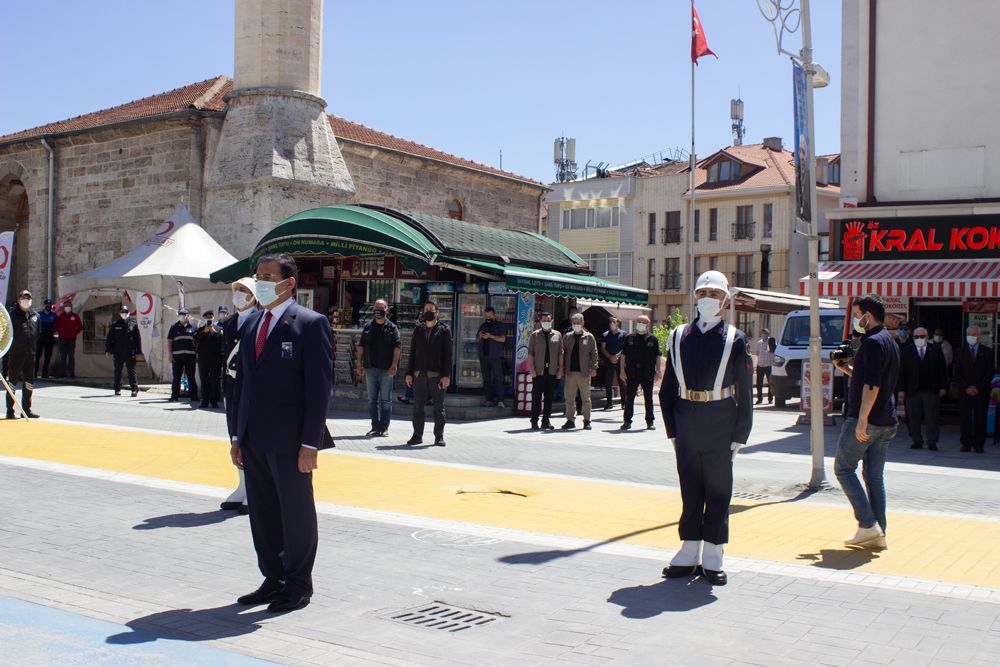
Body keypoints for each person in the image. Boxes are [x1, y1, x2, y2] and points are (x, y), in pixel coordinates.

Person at [231, 253, 333, 614]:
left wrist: (310, 443)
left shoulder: (310, 323)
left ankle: (299, 584)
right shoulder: (250, 323)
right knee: (262, 513)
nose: (260, 281)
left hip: (291, 442)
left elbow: (319, 389)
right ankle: (272, 578)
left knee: (295, 513)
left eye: (268, 275)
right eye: (258, 275)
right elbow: (241, 385)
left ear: (289, 283)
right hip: (255, 438)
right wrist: (236, 437)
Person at [659, 271, 752, 586]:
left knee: (717, 491)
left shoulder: (735, 339)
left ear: (725, 301)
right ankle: (689, 550)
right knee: (690, 488)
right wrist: (672, 430)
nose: (707, 299)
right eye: (702, 293)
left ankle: (713, 554)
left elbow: (745, 393)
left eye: (714, 294)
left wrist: (740, 435)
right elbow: (667, 388)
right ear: (695, 297)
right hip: (686, 418)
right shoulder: (677, 336)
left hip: (720, 419)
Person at [830, 295, 900, 549]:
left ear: (867, 316)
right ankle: (878, 532)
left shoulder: (871, 343)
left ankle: (868, 524)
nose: (857, 320)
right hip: (886, 420)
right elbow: (870, 378)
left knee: (843, 469)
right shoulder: (889, 342)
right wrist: (846, 369)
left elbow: (872, 385)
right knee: (874, 477)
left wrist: (861, 419)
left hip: (867, 419)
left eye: (858, 314)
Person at [220, 277, 257, 514]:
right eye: (236, 290)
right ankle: (242, 485)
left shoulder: (260, 319)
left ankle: (254, 489)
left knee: (249, 438)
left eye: (244, 291)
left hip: (250, 388)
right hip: (232, 386)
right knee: (234, 435)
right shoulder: (230, 322)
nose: (239, 295)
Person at [405, 301, 452, 446]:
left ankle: (439, 436)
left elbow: (448, 355)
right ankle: (417, 436)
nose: (428, 312)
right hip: (419, 374)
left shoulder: (444, 330)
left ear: (437, 313)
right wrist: (408, 373)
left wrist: (446, 375)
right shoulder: (418, 329)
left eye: (431, 310)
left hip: (437, 375)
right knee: (418, 407)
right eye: (426, 310)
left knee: (439, 407)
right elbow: (412, 352)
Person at [356, 298, 401, 437]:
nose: (378, 310)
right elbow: (361, 346)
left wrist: (394, 365)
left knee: (386, 400)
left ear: (387, 309)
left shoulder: (392, 328)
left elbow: (397, 347)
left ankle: (384, 427)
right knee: (372, 400)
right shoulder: (368, 327)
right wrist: (359, 363)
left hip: (386, 370)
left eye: (381, 307)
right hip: (370, 368)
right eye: (376, 307)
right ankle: (375, 427)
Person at [898, 327, 948, 451]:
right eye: (916, 337)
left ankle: (932, 441)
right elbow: (901, 372)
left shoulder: (935, 349)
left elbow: (943, 370)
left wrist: (943, 386)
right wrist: (901, 389)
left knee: (932, 417)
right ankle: (917, 440)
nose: (919, 339)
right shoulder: (906, 351)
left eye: (921, 336)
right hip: (912, 391)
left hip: (931, 390)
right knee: (913, 417)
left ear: (927, 337)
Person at [954, 325, 995, 454]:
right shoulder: (960, 352)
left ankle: (979, 444)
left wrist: (978, 388)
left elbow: (989, 373)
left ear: (978, 336)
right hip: (965, 391)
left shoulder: (987, 352)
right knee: (965, 419)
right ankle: (965, 443)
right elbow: (957, 373)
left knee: (980, 418)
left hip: (981, 392)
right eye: (968, 334)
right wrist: (966, 387)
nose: (970, 337)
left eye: (973, 334)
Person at [620, 314, 662, 430]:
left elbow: (657, 356)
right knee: (629, 399)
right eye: (639, 321)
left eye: (643, 322)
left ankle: (650, 421)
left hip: (647, 373)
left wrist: (658, 371)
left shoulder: (652, 339)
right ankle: (627, 421)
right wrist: (622, 371)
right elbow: (623, 355)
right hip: (632, 372)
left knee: (648, 398)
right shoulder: (629, 338)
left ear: (647, 325)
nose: (640, 324)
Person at [5, 290, 40, 419]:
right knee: (12, 383)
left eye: (28, 298)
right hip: (16, 354)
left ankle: (26, 410)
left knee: (29, 382)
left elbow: (37, 333)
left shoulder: (35, 316)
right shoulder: (12, 316)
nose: (26, 300)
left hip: (30, 354)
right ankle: (10, 411)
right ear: (19, 299)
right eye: (24, 297)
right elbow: (6, 334)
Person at [560, 312, 598, 430]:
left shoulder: (589, 337)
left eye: (578, 323)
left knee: (586, 398)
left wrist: (594, 367)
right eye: (574, 323)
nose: (576, 325)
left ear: (583, 323)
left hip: (584, 372)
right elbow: (562, 352)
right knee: (569, 398)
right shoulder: (567, 336)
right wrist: (561, 369)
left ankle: (587, 420)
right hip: (570, 372)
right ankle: (570, 420)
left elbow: (594, 353)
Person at [527, 311, 562, 430]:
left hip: (551, 371)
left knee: (549, 398)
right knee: (536, 397)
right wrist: (531, 369)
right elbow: (530, 353)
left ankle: (546, 420)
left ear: (551, 321)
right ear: (541, 322)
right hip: (538, 371)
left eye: (548, 320)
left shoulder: (557, 335)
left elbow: (560, 353)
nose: (546, 322)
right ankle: (534, 420)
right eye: (544, 320)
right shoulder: (535, 335)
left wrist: (560, 369)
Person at [105, 305, 142, 397]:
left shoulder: (133, 323)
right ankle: (117, 389)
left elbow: (137, 338)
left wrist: (138, 351)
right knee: (118, 370)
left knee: (131, 370)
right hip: (118, 351)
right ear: (119, 313)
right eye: (122, 312)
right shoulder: (115, 324)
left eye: (126, 312)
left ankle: (134, 389)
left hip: (130, 351)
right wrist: (108, 350)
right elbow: (110, 338)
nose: (124, 314)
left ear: (129, 313)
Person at [167, 308, 199, 403]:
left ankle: (194, 396)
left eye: (184, 314)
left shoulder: (193, 326)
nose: (182, 316)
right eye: (180, 314)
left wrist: (197, 354)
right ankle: (174, 396)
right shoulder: (174, 327)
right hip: (177, 357)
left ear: (188, 315)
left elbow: (197, 342)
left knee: (191, 376)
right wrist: (170, 354)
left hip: (190, 356)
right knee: (176, 376)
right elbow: (169, 341)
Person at [477, 307, 507, 408]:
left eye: (490, 316)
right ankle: (488, 399)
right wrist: (480, 336)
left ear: (494, 315)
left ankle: (500, 400)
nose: (488, 318)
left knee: (498, 379)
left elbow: (503, 339)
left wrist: (491, 336)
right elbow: (476, 339)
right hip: (484, 356)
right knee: (486, 379)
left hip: (495, 356)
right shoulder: (483, 325)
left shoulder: (499, 325)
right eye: (486, 316)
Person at [194, 310, 224, 408]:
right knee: (204, 380)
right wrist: (204, 332)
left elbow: (222, 342)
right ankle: (204, 401)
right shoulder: (200, 329)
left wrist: (215, 333)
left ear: (213, 318)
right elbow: (196, 339)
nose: (209, 319)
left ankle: (214, 401)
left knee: (215, 380)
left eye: (210, 317)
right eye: (207, 317)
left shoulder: (218, 329)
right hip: (203, 359)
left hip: (215, 359)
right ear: (204, 319)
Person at [600, 317, 626, 410]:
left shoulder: (623, 334)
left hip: (620, 362)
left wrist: (617, 356)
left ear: (618, 323)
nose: (612, 323)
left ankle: (624, 403)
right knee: (608, 382)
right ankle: (609, 403)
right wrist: (610, 357)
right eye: (610, 322)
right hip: (608, 361)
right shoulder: (605, 334)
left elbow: (625, 348)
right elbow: (603, 348)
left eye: (614, 322)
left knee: (622, 382)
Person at [54, 301, 83, 378]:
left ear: (71, 307)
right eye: (66, 306)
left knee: (71, 357)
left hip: (71, 340)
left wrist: (74, 333)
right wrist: (60, 333)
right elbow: (56, 327)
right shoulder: (60, 316)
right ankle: (62, 373)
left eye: (69, 306)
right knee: (62, 357)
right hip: (62, 340)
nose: (67, 307)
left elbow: (80, 327)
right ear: (64, 307)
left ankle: (71, 374)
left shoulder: (75, 316)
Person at [34, 298, 57, 378]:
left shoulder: (54, 315)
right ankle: (35, 373)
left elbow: (56, 326)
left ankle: (44, 373)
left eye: (49, 305)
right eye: (47, 305)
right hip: (40, 338)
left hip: (49, 338)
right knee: (37, 356)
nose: (48, 306)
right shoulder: (38, 314)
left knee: (48, 356)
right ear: (44, 306)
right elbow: (35, 326)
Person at [754, 328, 774, 405]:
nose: (764, 335)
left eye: (765, 333)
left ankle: (770, 398)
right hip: (760, 365)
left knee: (770, 383)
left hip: (769, 365)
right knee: (759, 383)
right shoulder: (758, 343)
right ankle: (759, 399)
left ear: (768, 334)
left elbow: (774, 352)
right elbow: (757, 354)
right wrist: (755, 365)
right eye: (762, 333)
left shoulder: (771, 343)